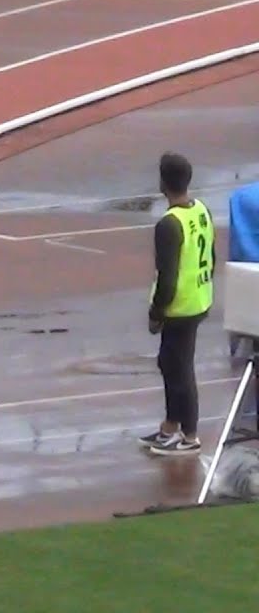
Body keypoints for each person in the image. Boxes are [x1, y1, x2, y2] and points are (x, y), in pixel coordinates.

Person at [141, 152, 215, 456]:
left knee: (180, 370)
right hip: (198, 298)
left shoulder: (169, 225)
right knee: (169, 363)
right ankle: (171, 427)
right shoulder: (201, 211)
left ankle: (190, 435)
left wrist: (156, 312)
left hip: (179, 306)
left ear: (163, 182)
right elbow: (210, 254)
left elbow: (167, 276)